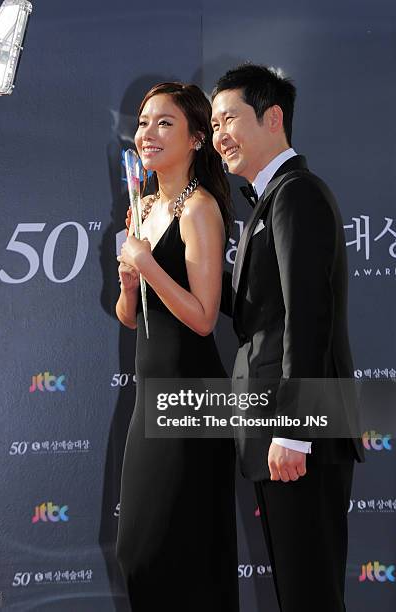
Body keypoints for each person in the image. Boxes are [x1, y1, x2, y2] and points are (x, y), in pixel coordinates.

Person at [211, 63, 364, 612]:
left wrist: (294, 430)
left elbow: (309, 315)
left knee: (311, 595)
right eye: (212, 124)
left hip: (299, 434)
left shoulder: (295, 194)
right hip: (281, 431)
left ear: (273, 118)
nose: (218, 135)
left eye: (229, 118)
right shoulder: (271, 198)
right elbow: (258, 312)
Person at [115, 82, 239, 612]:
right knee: (140, 551)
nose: (149, 133)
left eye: (164, 123)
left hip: (191, 397)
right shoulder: (144, 208)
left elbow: (204, 317)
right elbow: (132, 317)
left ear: (195, 139)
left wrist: (146, 265)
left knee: (183, 554)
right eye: (144, 122)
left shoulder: (200, 209)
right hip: (151, 396)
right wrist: (127, 280)